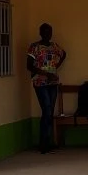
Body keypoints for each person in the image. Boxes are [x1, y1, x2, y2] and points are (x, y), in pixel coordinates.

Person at [26, 23, 67, 154]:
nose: (47, 34)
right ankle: (43, 143)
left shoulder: (54, 46)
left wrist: (55, 67)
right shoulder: (35, 47)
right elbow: (29, 65)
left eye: (49, 31)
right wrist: (46, 73)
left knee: (50, 112)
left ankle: (48, 142)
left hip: (52, 83)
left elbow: (63, 54)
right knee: (47, 109)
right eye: (44, 31)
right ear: (40, 32)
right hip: (40, 82)